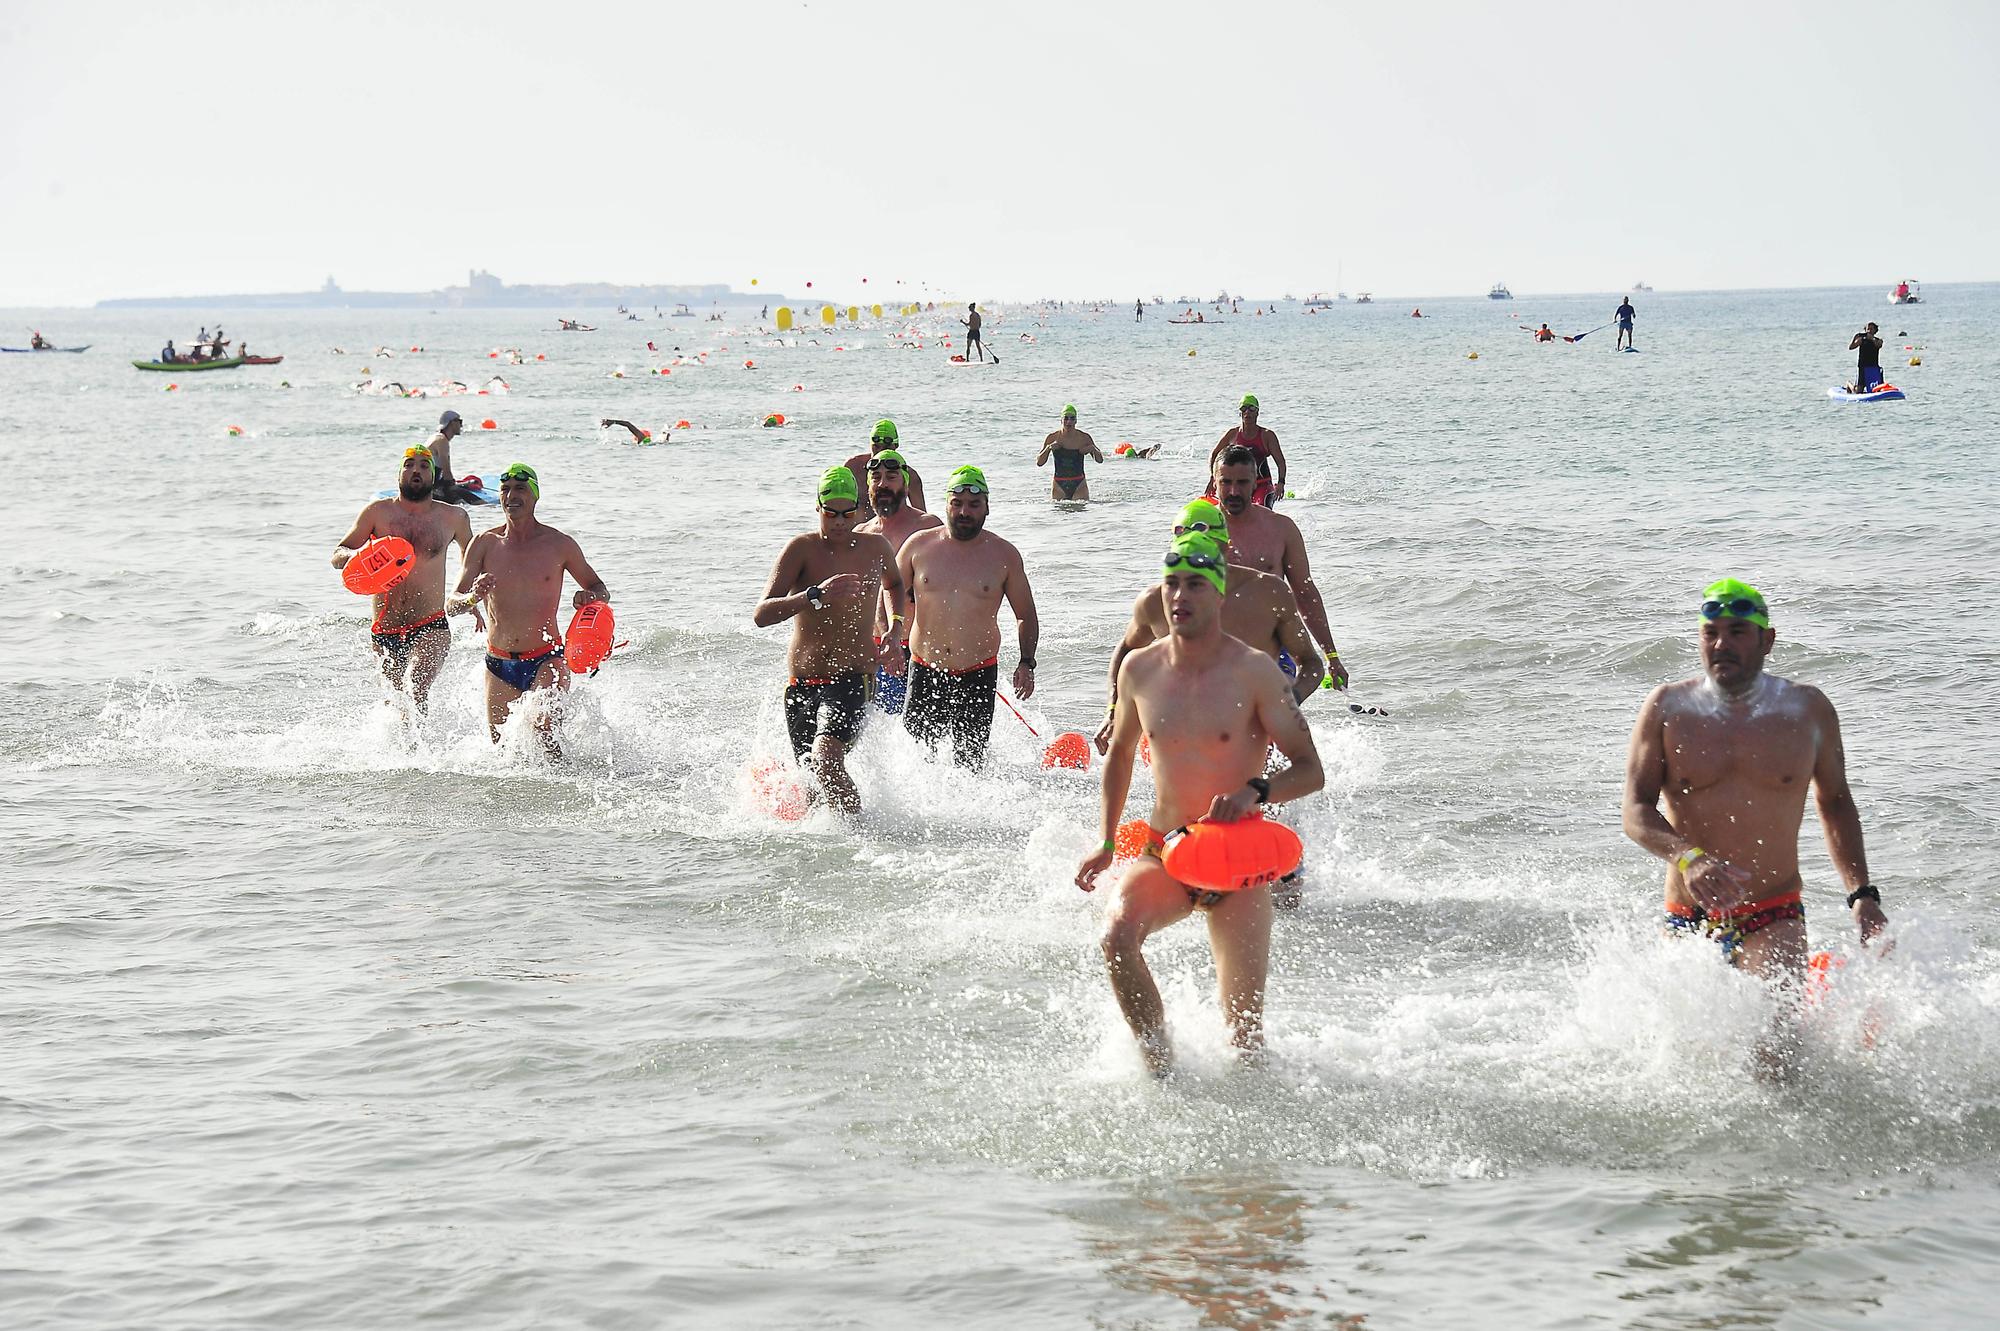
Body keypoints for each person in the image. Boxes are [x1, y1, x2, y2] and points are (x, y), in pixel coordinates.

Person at [1075, 531, 1325, 1075]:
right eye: (1171, 585)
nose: (1179, 597)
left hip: (1237, 866)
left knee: (1246, 1043)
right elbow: (1118, 758)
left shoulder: (1255, 672)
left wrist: (1254, 792)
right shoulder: (1139, 669)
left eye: (1193, 585)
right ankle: (1160, 1072)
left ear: (1218, 594)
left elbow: (1311, 771)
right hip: (1166, 852)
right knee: (1117, 938)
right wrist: (1104, 841)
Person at [1623, 579, 1887, 1077]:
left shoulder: (1807, 710)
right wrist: (1688, 857)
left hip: (1774, 910)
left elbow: (1835, 802)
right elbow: (1635, 813)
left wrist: (1862, 896)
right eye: (1711, 633)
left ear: (1767, 640)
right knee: (1690, 1070)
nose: (1721, 644)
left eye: (1738, 632)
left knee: (1775, 1064)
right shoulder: (1667, 709)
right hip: (1689, 913)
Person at [751, 466, 906, 814]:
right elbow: (761, 614)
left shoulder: (875, 547)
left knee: (825, 762)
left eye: (847, 513)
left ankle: (862, 839)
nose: (839, 521)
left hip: (853, 678)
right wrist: (813, 595)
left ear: (860, 508)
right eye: (831, 512)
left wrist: (895, 630)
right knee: (813, 784)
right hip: (802, 683)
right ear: (818, 507)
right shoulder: (800, 550)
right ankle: (826, 855)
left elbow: (895, 585)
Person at [455, 464, 611, 758]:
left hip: (547, 659)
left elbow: (600, 588)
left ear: (535, 496)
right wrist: (472, 597)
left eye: (520, 489)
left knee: (545, 730)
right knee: (502, 753)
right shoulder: (484, 544)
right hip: (499, 663)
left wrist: (590, 595)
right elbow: (452, 602)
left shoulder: (559, 545)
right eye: (505, 490)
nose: (511, 496)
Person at [892, 465, 1038, 771]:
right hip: (924, 668)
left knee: (970, 765)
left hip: (978, 672)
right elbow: (889, 590)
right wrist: (891, 638)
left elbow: (1025, 615)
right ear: (946, 505)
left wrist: (1026, 662)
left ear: (986, 507)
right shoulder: (919, 546)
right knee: (918, 763)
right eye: (956, 504)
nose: (964, 512)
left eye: (973, 505)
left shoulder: (1004, 555)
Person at [331, 446, 478, 711]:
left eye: (424, 466)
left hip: (431, 623)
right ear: (399, 472)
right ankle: (406, 751)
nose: (416, 470)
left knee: (416, 687)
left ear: (434, 476)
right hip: (385, 627)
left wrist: (469, 599)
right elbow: (338, 554)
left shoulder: (453, 517)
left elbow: (472, 562)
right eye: (409, 464)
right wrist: (357, 555)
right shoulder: (377, 513)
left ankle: (423, 750)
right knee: (394, 703)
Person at [1211, 448, 1350, 688]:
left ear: (1256, 482)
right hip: (1215, 644)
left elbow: (1304, 593)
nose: (1234, 491)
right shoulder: (1199, 530)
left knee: (1275, 706)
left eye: (1242, 482)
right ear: (1215, 483)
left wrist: (1332, 656)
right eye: (1226, 482)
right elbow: (1175, 595)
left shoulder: (1281, 530)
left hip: (1273, 644)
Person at [856, 449, 941, 714]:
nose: (882, 484)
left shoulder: (927, 527)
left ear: (905, 482)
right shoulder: (860, 533)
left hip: (917, 651)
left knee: (922, 736)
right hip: (874, 652)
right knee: (875, 732)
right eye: (876, 477)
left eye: (891, 477)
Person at [1204, 395, 1287, 508]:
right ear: (1240, 413)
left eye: (1251, 408)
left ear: (1257, 412)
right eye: (1244, 409)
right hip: (1239, 485)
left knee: (1261, 510)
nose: (1247, 412)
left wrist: (1281, 483)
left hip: (1262, 485)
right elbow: (1215, 455)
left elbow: (1280, 462)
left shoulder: (1267, 435)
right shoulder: (1232, 434)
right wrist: (1213, 478)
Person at [843, 419, 926, 518]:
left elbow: (922, 516)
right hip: (858, 530)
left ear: (895, 446)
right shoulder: (853, 467)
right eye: (876, 446)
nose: (880, 451)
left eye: (886, 447)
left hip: (893, 531)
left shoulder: (910, 476)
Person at [1035, 404, 1105, 501]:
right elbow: (1039, 463)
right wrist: (1048, 449)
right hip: (1059, 484)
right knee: (1059, 515)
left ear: (1076, 421)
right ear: (1061, 420)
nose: (1069, 422)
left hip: (1079, 484)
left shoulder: (1084, 438)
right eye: (1066, 418)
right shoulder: (1052, 437)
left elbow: (1100, 460)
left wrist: (1093, 449)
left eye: (1072, 418)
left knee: (1081, 514)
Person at [426, 410, 480, 504]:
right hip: (434, 490)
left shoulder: (437, 437)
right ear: (452, 422)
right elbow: (447, 474)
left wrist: (463, 485)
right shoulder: (442, 440)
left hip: (435, 486)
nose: (461, 426)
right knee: (479, 504)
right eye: (460, 422)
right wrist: (455, 486)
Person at [1849, 322, 1883, 393]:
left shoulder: (1878, 340)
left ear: (1875, 330)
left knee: (1876, 388)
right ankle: (1849, 384)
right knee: (1859, 391)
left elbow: (1878, 345)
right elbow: (1851, 347)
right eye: (1868, 329)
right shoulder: (1861, 340)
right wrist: (1855, 338)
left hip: (1873, 366)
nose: (1869, 331)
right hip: (1863, 367)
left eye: (1871, 329)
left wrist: (1872, 339)